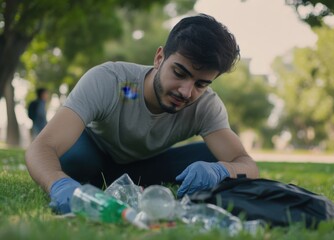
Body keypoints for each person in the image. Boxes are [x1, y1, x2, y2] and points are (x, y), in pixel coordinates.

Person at [25, 14, 259, 214]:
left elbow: (246, 164)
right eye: (179, 72)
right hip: (93, 156)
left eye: (201, 84)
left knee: (212, 156)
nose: (186, 91)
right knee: (73, 158)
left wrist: (222, 170)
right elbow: (41, 147)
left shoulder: (206, 105)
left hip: (147, 166)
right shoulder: (110, 81)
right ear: (159, 58)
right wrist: (58, 184)